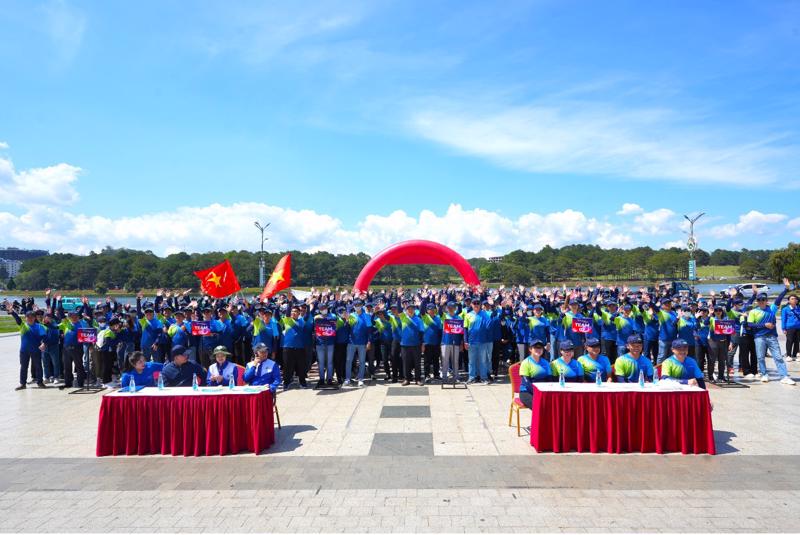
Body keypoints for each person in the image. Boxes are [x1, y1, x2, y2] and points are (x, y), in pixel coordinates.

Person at [748, 279, 794, 385]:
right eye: (759, 300)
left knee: (778, 357)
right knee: (760, 357)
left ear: (766, 300)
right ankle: (764, 374)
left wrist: (786, 289)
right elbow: (750, 325)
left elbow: (779, 299)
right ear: (757, 301)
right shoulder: (753, 311)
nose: (761, 301)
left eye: (763, 299)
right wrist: (763, 325)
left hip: (771, 337)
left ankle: (784, 376)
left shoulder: (772, 309)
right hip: (759, 337)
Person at [6, 304, 47, 390]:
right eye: (28, 317)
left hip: (36, 350)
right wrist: (12, 312)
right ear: (26, 318)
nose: (30, 318)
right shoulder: (23, 326)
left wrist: (44, 343)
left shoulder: (39, 326)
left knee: (38, 366)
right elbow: (18, 319)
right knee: (23, 367)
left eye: (32, 317)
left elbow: (44, 337)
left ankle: (40, 382)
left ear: (35, 318)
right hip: (24, 351)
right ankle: (22, 384)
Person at [279, 304, 309, 389]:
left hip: (300, 347)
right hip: (287, 347)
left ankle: (302, 382)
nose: (293, 313)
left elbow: (307, 315)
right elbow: (286, 314)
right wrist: (289, 302)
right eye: (292, 311)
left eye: (295, 311)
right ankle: (286, 382)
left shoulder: (302, 321)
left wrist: (308, 306)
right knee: (287, 366)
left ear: (299, 313)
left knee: (301, 366)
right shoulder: (287, 320)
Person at [58, 308, 88, 390]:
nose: (74, 317)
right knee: (67, 366)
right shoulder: (66, 324)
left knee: (79, 366)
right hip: (66, 348)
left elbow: (87, 336)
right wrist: (59, 301)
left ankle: (80, 383)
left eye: (75, 316)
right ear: (69, 317)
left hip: (77, 348)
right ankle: (68, 383)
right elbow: (61, 314)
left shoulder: (82, 324)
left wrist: (85, 305)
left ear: (78, 317)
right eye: (71, 316)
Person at [344, 300, 371, 387]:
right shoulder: (351, 315)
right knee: (348, 361)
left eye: (359, 305)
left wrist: (369, 341)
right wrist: (347, 321)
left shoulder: (366, 316)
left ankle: (360, 379)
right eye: (355, 305)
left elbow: (369, 330)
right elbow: (347, 329)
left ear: (362, 305)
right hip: (351, 342)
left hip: (362, 343)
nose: (357, 306)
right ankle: (347, 379)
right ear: (353, 306)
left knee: (362, 362)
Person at [464, 298, 491, 384]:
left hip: (482, 341)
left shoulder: (485, 314)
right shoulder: (468, 315)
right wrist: (465, 341)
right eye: (474, 303)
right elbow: (465, 329)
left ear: (480, 305)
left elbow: (489, 324)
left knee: (483, 361)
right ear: (471, 305)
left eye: (477, 303)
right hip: (471, 341)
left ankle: (483, 377)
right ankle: (472, 377)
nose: (476, 305)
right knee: (471, 361)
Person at [518, 339, 551, 408]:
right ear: (530, 349)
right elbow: (526, 383)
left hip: (543, 391)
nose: (538, 350)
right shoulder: (526, 363)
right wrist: (538, 393)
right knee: (539, 406)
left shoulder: (546, 363)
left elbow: (549, 379)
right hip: (527, 392)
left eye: (540, 348)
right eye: (536, 347)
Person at [399, 302, 425, 386]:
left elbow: (422, 333)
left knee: (417, 362)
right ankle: (407, 379)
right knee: (406, 363)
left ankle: (418, 379)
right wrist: (399, 298)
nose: (410, 310)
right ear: (406, 310)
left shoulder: (418, 319)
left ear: (414, 310)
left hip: (416, 344)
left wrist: (422, 344)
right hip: (405, 344)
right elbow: (399, 310)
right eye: (409, 309)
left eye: (412, 309)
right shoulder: (403, 317)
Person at [313, 303, 337, 387]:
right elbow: (315, 319)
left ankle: (329, 379)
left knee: (330, 362)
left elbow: (333, 319)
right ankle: (321, 379)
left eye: (325, 307)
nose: (324, 309)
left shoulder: (333, 315)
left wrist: (324, 318)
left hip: (330, 343)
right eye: (322, 308)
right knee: (321, 362)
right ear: (319, 310)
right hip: (320, 343)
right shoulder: (316, 317)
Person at [440, 301, 464, 383]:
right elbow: (440, 312)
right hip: (445, 342)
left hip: (456, 343)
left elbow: (461, 333)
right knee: (445, 361)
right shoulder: (444, 316)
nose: (451, 309)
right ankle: (444, 377)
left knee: (455, 361)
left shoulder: (459, 318)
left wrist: (461, 343)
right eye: (449, 307)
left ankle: (456, 376)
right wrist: (441, 304)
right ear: (447, 308)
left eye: (453, 307)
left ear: (455, 308)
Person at [421, 303, 443, 383]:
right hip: (427, 343)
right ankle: (427, 375)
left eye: (433, 309)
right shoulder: (424, 317)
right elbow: (421, 311)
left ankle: (436, 374)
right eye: (430, 309)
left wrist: (440, 342)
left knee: (436, 360)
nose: (432, 311)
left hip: (436, 343)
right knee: (427, 361)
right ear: (427, 310)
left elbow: (440, 331)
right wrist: (424, 300)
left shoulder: (438, 318)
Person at [781, 290, 800, 362]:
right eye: (792, 299)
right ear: (789, 301)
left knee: (797, 341)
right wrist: (783, 328)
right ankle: (788, 355)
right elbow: (783, 319)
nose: (794, 300)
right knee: (789, 341)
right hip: (789, 327)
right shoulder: (785, 309)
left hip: (798, 327)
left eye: (795, 299)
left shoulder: (798, 308)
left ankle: (795, 355)